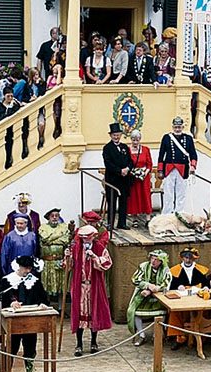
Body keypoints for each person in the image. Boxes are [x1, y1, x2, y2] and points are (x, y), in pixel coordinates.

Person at [0, 255, 49, 372]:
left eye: (29, 269)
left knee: (30, 350)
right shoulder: (7, 281)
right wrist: (11, 303)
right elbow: (1, 300)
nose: (27, 271)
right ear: (19, 267)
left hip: (30, 322)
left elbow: (43, 298)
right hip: (14, 322)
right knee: (11, 349)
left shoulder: (35, 282)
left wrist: (42, 304)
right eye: (25, 268)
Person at [65, 225, 113, 357]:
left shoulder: (99, 248)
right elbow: (68, 267)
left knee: (94, 313)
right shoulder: (75, 249)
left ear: (93, 236)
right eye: (83, 238)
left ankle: (93, 342)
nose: (85, 240)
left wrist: (94, 257)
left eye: (88, 237)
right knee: (79, 314)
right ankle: (79, 344)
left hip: (94, 286)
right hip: (79, 287)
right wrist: (67, 257)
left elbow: (107, 264)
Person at [168, 247, 210, 350]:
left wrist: (205, 287)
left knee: (204, 310)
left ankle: (202, 336)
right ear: (182, 258)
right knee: (176, 312)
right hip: (182, 297)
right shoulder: (175, 270)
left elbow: (206, 284)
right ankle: (179, 337)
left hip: (197, 296)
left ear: (194, 259)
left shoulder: (201, 269)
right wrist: (178, 287)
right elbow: (171, 286)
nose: (188, 260)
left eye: (190, 258)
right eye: (186, 257)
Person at [127, 249, 171, 346]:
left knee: (162, 311)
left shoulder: (165, 270)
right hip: (143, 296)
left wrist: (152, 290)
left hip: (158, 297)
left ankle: (157, 335)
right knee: (134, 312)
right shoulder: (143, 266)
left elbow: (165, 284)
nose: (153, 261)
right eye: (152, 258)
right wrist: (147, 285)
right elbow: (135, 279)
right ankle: (141, 335)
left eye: (156, 259)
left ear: (161, 261)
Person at [157, 116, 198, 214]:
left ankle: (178, 213)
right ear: (173, 127)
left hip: (183, 169)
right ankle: (167, 213)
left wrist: (193, 166)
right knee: (168, 193)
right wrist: (160, 170)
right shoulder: (166, 137)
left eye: (179, 127)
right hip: (169, 168)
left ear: (182, 127)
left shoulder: (188, 138)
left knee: (181, 194)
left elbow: (193, 154)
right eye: (175, 127)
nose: (177, 129)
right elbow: (161, 154)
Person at [102, 123, 133, 230]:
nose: (116, 136)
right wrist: (120, 171)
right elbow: (108, 163)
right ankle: (110, 223)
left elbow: (130, 161)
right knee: (112, 202)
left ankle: (122, 223)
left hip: (124, 179)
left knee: (123, 201)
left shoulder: (124, 147)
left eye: (118, 134)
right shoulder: (107, 148)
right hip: (113, 179)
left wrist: (127, 169)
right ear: (111, 135)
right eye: (114, 135)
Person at [38, 208, 70, 301]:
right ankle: (47, 304)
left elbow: (65, 240)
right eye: (52, 216)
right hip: (47, 261)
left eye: (57, 216)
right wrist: (58, 235)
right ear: (48, 217)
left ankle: (60, 307)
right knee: (47, 285)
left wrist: (50, 240)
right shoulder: (43, 227)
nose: (55, 218)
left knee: (61, 286)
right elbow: (44, 239)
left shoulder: (63, 227)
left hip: (59, 260)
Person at [126, 130, 152, 227]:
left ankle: (148, 218)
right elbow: (127, 163)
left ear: (140, 139)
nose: (135, 142)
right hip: (133, 177)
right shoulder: (128, 150)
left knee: (145, 196)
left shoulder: (145, 149)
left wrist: (144, 173)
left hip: (143, 178)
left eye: (137, 140)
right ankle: (135, 219)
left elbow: (149, 164)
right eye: (133, 140)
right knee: (133, 197)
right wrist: (132, 172)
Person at [47, 64, 64, 138]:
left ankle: (56, 129)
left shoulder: (62, 79)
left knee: (57, 116)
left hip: (57, 101)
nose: (55, 68)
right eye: (55, 67)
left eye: (57, 68)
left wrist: (59, 72)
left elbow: (58, 83)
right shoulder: (50, 77)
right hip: (50, 100)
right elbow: (47, 87)